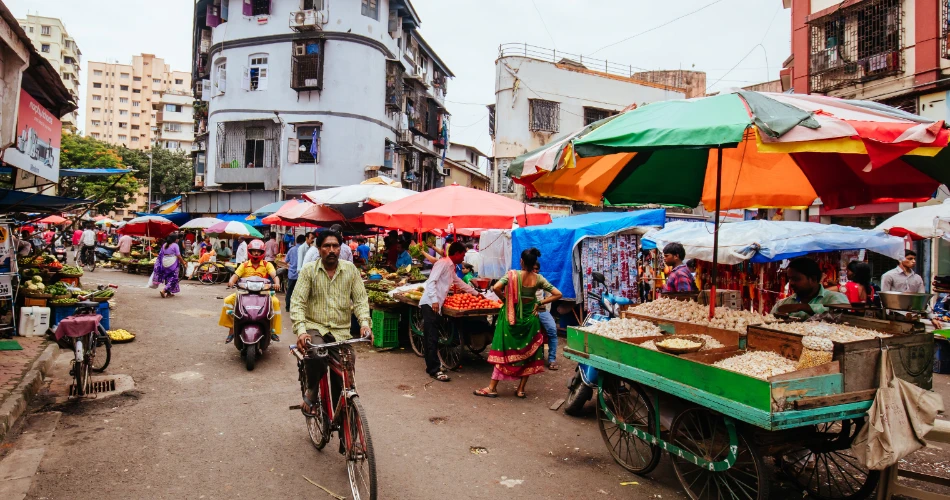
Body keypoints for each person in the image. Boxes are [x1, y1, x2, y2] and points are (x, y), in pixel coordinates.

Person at [291, 230, 372, 415]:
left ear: (340, 248)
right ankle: (312, 390)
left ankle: (341, 419)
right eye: (327, 246)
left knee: (346, 371)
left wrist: (365, 324)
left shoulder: (350, 270)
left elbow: (360, 300)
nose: (332, 250)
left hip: (341, 331)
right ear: (319, 249)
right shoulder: (309, 271)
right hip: (315, 327)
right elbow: (297, 302)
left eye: (335, 246)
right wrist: (301, 331)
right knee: (317, 354)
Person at [474, 248, 562, 398]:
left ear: (521, 261)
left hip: (511, 319)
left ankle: (492, 387)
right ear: (534, 263)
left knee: (504, 352)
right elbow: (558, 294)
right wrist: (539, 302)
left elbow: (496, 287)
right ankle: (521, 389)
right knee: (528, 354)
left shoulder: (511, 275)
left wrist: (506, 300)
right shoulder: (538, 278)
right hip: (530, 321)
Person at [419, 242, 480, 382]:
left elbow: (458, 282)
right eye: (463, 255)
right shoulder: (442, 263)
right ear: (457, 253)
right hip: (430, 304)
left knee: (432, 336)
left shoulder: (450, 266)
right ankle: (434, 370)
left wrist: (476, 293)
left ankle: (433, 366)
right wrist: (434, 300)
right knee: (432, 337)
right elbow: (431, 281)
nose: (463, 258)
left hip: (435, 304)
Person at [219, 239, 282, 343]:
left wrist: (277, 283)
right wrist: (231, 282)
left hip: (263, 293)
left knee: (275, 302)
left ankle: (273, 330)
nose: (256, 253)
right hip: (244, 292)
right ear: (249, 251)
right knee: (227, 301)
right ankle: (231, 329)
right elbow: (235, 276)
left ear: (262, 252)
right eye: (254, 251)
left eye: (258, 251)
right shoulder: (244, 265)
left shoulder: (267, 264)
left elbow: (274, 276)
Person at [773, 257, 850, 319]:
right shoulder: (782, 303)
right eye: (789, 279)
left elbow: (843, 316)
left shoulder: (835, 298)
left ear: (813, 279)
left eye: (796, 279)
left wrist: (804, 307)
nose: (791, 283)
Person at [532, 262, 561, 370]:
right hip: (528, 309)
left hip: (541, 308)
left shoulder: (541, 279)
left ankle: (552, 359)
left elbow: (550, 294)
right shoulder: (524, 278)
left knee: (552, 329)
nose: (535, 271)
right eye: (533, 268)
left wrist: (546, 309)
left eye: (537, 269)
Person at [152, 233, 186, 298]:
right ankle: (164, 290)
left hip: (164, 262)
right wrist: (183, 262)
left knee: (167, 277)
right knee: (174, 278)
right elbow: (178, 255)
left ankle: (169, 293)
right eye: (177, 238)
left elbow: (161, 254)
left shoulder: (164, 245)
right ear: (175, 239)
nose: (178, 240)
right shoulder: (175, 245)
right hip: (172, 263)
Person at [285, 234, 305, 312]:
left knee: (289, 291)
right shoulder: (305, 250)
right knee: (300, 292)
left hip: (292, 274)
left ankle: (288, 307)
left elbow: (286, 260)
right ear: (304, 241)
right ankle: (297, 308)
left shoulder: (291, 250)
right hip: (301, 275)